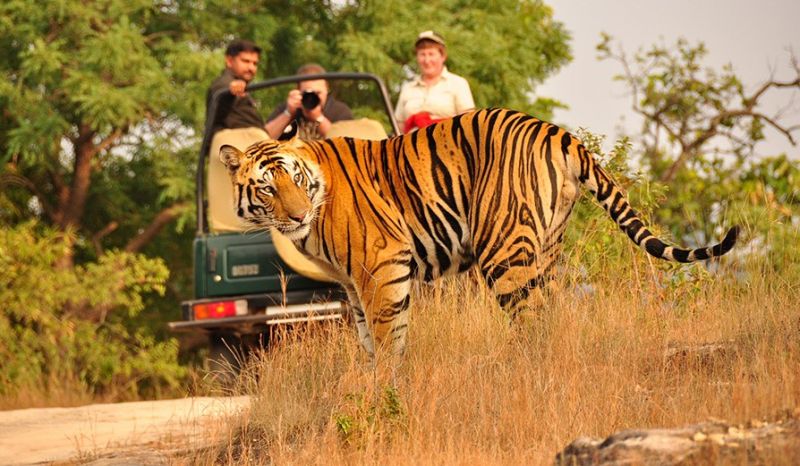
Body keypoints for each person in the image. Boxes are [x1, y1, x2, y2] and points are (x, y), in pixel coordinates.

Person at [395, 30, 475, 133]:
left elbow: (468, 125)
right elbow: (398, 128)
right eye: (422, 54)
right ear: (417, 57)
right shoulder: (408, 88)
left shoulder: (458, 83)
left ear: (442, 56)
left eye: (431, 54)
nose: (427, 60)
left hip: (447, 145)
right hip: (410, 145)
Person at [265, 64, 353, 141]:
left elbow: (346, 145)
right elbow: (264, 138)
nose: (312, 98)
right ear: (298, 90)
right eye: (307, 93)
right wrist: (288, 113)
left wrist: (319, 118)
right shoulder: (289, 108)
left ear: (327, 89)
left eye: (318, 93)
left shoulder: (340, 111)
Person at [206, 39, 270, 136]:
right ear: (229, 61)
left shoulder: (245, 91)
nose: (251, 68)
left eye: (255, 63)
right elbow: (221, 97)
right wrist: (231, 90)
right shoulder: (223, 84)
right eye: (245, 61)